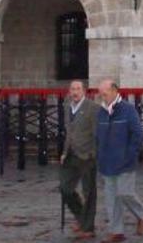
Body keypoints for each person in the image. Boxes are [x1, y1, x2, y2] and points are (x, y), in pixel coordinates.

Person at [96, 79, 143, 242]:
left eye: (104, 94)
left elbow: (138, 134)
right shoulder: (101, 112)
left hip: (125, 162)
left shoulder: (128, 110)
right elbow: (97, 136)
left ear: (114, 91)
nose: (102, 97)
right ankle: (116, 231)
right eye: (100, 95)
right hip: (106, 162)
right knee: (111, 198)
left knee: (125, 192)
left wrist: (130, 154)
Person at [60, 79, 101, 240]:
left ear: (84, 91)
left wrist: (95, 153)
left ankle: (88, 227)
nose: (75, 92)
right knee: (65, 188)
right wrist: (64, 152)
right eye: (72, 89)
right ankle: (81, 217)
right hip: (71, 154)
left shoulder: (93, 108)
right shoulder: (67, 107)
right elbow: (69, 132)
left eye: (78, 88)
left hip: (87, 155)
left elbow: (97, 134)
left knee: (89, 191)